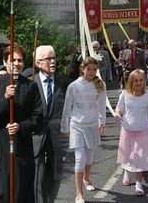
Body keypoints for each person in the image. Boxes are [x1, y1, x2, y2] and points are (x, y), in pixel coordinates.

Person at [0, 44, 43, 203]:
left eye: (20, 60)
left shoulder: (30, 87)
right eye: (13, 60)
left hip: (20, 147)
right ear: (5, 62)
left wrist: (20, 126)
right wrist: (4, 99)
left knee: (20, 191)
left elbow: (37, 117)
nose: (17, 63)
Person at [60, 56, 104, 203]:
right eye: (89, 69)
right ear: (82, 69)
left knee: (89, 157)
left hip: (92, 126)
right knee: (80, 159)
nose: (91, 72)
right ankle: (79, 194)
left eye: (94, 69)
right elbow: (67, 107)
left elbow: (101, 105)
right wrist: (65, 127)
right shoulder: (74, 86)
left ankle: (86, 178)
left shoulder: (100, 85)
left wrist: (101, 121)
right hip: (77, 125)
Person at [33, 45, 71, 203]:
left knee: (56, 173)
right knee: (38, 171)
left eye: (54, 57)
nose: (53, 61)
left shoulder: (65, 82)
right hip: (36, 135)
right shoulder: (31, 83)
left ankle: (50, 200)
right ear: (38, 63)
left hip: (58, 135)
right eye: (48, 59)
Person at [115, 69, 148, 196]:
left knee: (140, 157)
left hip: (143, 132)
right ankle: (127, 172)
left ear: (144, 81)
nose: (139, 83)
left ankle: (139, 184)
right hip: (128, 131)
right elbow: (119, 109)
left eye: (141, 80)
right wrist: (118, 115)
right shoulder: (124, 94)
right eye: (136, 80)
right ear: (131, 82)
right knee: (128, 154)